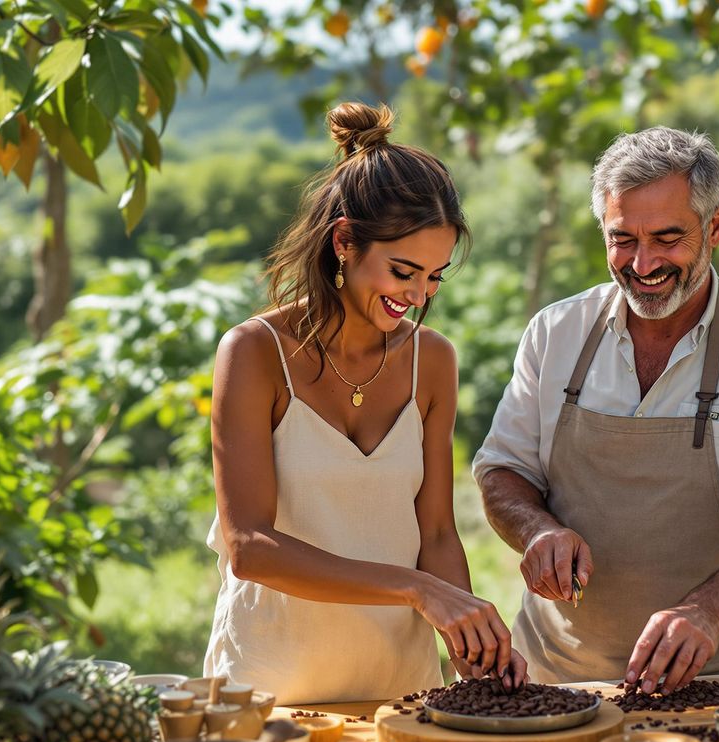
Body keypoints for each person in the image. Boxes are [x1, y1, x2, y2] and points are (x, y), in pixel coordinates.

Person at [473, 127, 719, 694]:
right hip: (553, 685)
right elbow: (503, 470)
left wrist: (709, 610)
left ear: (715, 226)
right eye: (622, 239)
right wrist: (536, 529)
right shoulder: (556, 332)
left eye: (667, 238)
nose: (643, 264)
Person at [204, 103, 526, 705]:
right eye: (403, 270)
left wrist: (469, 639)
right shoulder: (254, 352)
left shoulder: (432, 361)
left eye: (434, 276)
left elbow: (436, 533)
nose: (418, 294)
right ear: (345, 242)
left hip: (401, 685)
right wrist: (415, 589)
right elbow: (248, 547)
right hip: (269, 688)